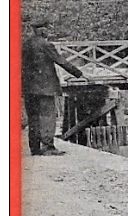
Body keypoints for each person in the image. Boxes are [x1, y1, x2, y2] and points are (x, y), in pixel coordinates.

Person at [21, 18, 86, 156]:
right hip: (45, 88)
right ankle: (48, 147)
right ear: (43, 30)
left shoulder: (25, 45)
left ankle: (35, 148)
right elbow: (61, 61)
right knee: (47, 116)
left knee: (33, 117)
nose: (49, 32)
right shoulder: (46, 45)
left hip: (28, 88)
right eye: (47, 29)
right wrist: (78, 73)